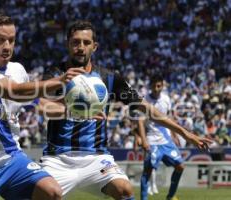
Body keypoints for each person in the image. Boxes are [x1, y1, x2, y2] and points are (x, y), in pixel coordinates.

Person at [38, 20, 211, 200]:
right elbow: (42, 106)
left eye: (86, 42)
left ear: (94, 47)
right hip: (58, 158)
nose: (81, 47)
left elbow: (147, 108)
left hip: (96, 158)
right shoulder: (55, 74)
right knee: (47, 194)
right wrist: (77, 110)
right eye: (75, 42)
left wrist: (185, 133)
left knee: (124, 189)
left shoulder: (109, 78)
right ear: (68, 44)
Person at [0, 14, 85, 200]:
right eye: (1, 40)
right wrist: (59, 81)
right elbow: (12, 91)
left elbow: (38, 104)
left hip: (11, 161)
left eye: (11, 40)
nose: (7, 46)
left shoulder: (18, 70)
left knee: (52, 192)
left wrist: (77, 112)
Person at [138, 75, 184, 200]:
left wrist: (174, 135)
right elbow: (140, 122)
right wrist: (143, 140)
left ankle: (171, 196)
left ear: (162, 86)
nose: (156, 88)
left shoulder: (166, 99)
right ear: (150, 86)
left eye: (159, 86)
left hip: (166, 139)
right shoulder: (144, 100)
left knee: (180, 166)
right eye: (154, 86)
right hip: (152, 140)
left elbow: (168, 119)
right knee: (147, 171)